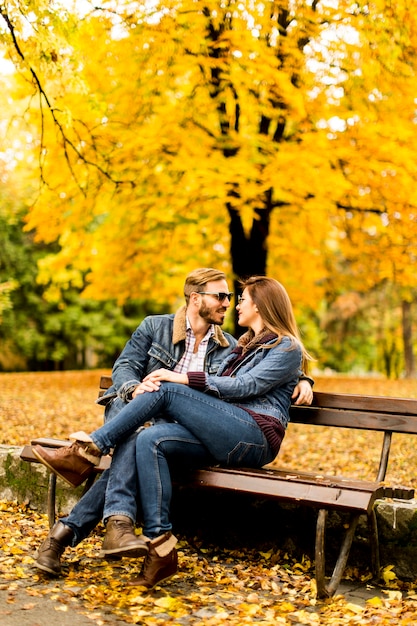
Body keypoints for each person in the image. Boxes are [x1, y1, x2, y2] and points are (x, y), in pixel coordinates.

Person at [33, 276, 312, 589]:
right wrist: (139, 389)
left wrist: (303, 379)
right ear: (196, 298)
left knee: (164, 390)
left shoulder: (251, 345)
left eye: (239, 298)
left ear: (260, 306)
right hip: (176, 421)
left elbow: (252, 382)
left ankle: (88, 455)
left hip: (252, 433)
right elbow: (124, 369)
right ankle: (160, 546)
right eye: (223, 296)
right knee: (146, 438)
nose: (232, 304)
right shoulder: (235, 344)